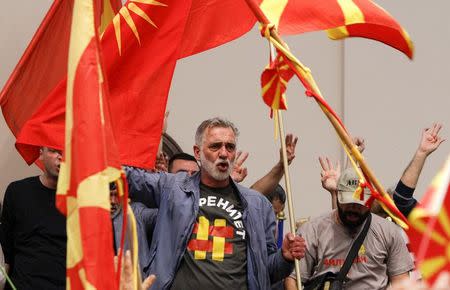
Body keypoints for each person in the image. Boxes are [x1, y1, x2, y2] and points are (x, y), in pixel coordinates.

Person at [126, 117, 306, 290]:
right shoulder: (172, 188)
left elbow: (266, 272)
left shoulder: (257, 205)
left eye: (230, 147)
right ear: (197, 152)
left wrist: (285, 258)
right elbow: (125, 177)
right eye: (215, 146)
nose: (224, 153)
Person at [285, 167, 414, 290]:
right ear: (339, 195)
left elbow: (401, 282)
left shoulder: (389, 232)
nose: (353, 208)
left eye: (359, 204)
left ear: (370, 201)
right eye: (348, 202)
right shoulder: (312, 230)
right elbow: (293, 279)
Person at [0, 147, 66, 290]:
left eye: (67, 151)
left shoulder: (83, 199)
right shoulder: (17, 192)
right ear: (41, 153)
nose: (61, 157)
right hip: (22, 283)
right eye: (54, 151)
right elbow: (8, 248)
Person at [110, 183, 157, 276]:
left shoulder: (135, 213)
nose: (112, 201)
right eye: (108, 195)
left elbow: (164, 215)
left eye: (116, 195)